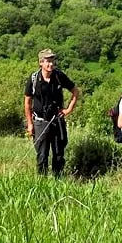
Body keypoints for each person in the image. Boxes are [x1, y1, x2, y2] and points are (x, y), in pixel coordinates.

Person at [23, 48, 80, 177]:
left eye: (52, 61)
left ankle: (58, 181)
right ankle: (41, 183)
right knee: (42, 155)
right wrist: (30, 124)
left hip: (57, 121)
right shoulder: (33, 79)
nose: (51, 64)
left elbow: (75, 92)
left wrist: (68, 109)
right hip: (40, 122)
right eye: (47, 61)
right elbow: (27, 103)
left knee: (59, 155)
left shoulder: (59, 76)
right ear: (40, 63)